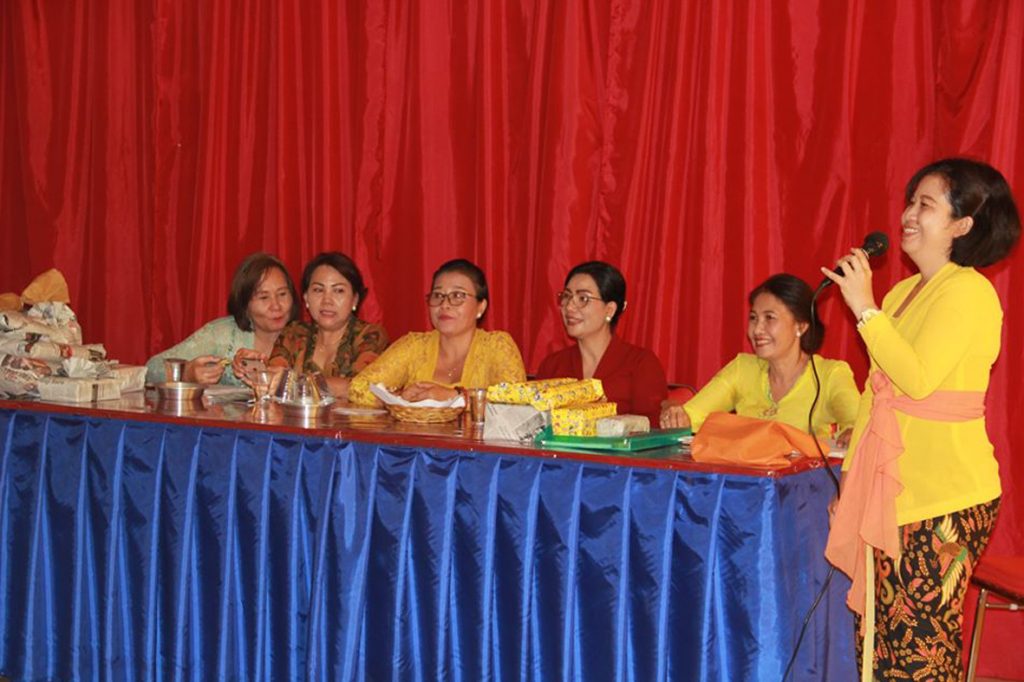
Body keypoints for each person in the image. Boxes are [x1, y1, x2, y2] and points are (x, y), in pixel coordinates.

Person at [822, 158, 1020, 679]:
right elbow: (875, 397)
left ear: (963, 224)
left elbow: (917, 379)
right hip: (891, 494)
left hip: (946, 498)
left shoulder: (970, 292)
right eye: (910, 202)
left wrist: (864, 309)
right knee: (878, 639)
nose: (908, 215)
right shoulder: (900, 294)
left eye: (925, 205)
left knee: (920, 643)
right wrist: (851, 483)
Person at [660, 273, 860, 441]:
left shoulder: (830, 374)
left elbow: (858, 424)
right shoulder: (742, 369)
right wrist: (676, 416)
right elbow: (692, 416)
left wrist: (851, 433)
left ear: (801, 326)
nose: (757, 329)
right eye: (753, 318)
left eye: (769, 318)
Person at [349, 258, 526, 405]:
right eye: (438, 296)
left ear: (481, 307)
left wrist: (454, 397)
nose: (444, 304)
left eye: (458, 296)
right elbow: (359, 388)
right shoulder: (414, 345)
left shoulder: (497, 346)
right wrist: (400, 398)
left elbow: (517, 403)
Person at [535, 261, 667, 423]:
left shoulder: (640, 363)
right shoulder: (552, 365)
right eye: (567, 296)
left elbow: (652, 427)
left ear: (609, 310)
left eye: (583, 298)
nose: (569, 307)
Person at [145, 252, 299, 386]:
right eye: (264, 297)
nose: (276, 306)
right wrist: (186, 373)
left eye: (282, 294)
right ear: (245, 304)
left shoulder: (306, 337)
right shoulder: (222, 335)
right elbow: (151, 369)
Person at [267, 251, 389, 400]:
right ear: (306, 298)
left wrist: (297, 384)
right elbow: (274, 378)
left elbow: (361, 386)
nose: (327, 300)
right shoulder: (293, 333)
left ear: (355, 300)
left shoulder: (371, 335)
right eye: (318, 290)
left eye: (338, 291)